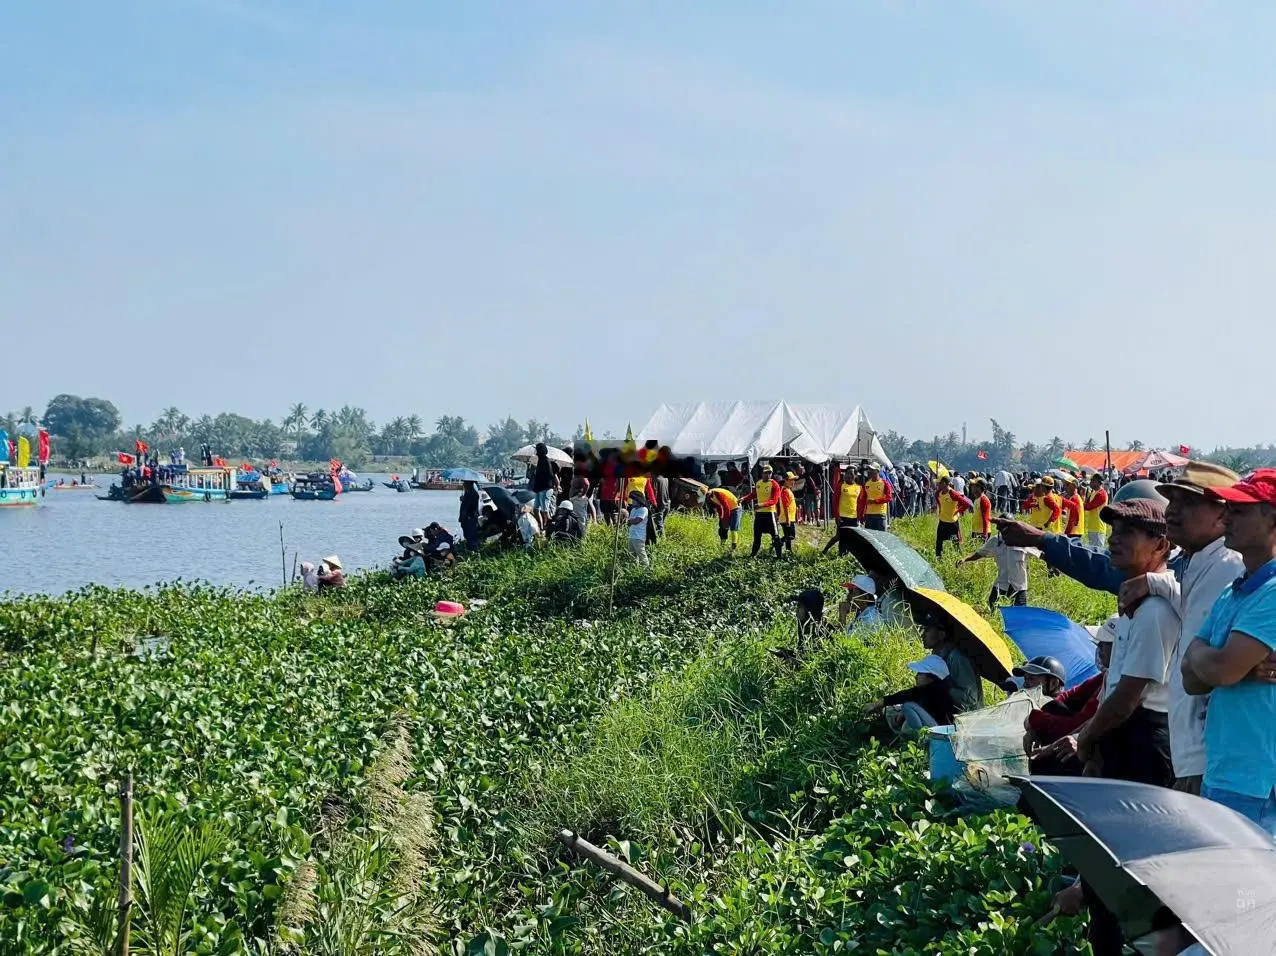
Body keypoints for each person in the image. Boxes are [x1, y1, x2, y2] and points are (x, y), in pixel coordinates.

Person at [1182, 469, 1276, 834]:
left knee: (1248, 891)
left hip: (1257, 781)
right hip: (1226, 772)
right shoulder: (1233, 591)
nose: (1226, 517)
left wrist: (1210, 660)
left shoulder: (1270, 593)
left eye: (1241, 509)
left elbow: (1217, 671)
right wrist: (1217, 662)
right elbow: (1190, 677)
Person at [1027, 620, 1115, 774]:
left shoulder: (1120, 683)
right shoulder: (1106, 675)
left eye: (1104, 644)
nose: (1098, 649)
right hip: (1082, 736)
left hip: (1105, 750)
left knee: (1047, 760)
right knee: (1053, 707)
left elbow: (1083, 721)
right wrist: (1036, 722)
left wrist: (1034, 719)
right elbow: (1070, 695)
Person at [863, 655, 957, 733]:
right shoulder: (934, 688)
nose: (916, 676)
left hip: (938, 731)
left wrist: (901, 715)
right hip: (935, 725)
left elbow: (908, 696)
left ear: (931, 677)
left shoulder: (935, 691)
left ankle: (917, 740)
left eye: (920, 673)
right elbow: (907, 695)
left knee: (907, 707)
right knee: (897, 709)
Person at [918, 610, 983, 713]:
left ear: (941, 635)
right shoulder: (937, 656)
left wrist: (937, 685)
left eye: (927, 630)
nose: (922, 635)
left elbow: (971, 701)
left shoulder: (957, 658)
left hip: (967, 719)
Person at [962, 527, 1032, 610]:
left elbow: (1040, 553)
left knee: (1021, 612)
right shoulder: (995, 541)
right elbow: (980, 553)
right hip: (1002, 582)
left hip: (1019, 584)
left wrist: (1050, 560)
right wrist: (965, 559)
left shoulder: (1022, 540)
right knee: (992, 604)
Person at [740, 464, 782, 558]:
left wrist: (761, 505)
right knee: (757, 535)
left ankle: (779, 556)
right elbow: (754, 494)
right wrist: (744, 498)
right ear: (762, 473)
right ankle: (753, 555)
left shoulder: (774, 484)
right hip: (759, 513)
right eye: (766, 473)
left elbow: (774, 500)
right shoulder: (758, 483)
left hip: (770, 513)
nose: (768, 475)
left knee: (775, 535)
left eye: (770, 473)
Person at [823, 466, 862, 557]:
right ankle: (831, 552)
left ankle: (847, 555)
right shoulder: (841, 485)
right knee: (840, 537)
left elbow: (860, 503)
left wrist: (860, 517)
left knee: (851, 538)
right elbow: (835, 502)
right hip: (843, 517)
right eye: (847, 473)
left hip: (853, 517)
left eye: (851, 474)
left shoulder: (859, 488)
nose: (848, 476)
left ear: (855, 476)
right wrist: (837, 516)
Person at [934, 476, 971, 558]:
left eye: (939, 483)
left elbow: (966, 503)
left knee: (955, 542)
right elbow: (936, 496)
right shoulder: (939, 492)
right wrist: (939, 507)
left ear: (944, 483)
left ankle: (959, 558)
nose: (937, 485)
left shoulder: (952, 493)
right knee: (939, 541)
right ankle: (938, 557)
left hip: (952, 523)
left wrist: (958, 511)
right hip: (942, 521)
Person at [705, 486, 742, 551]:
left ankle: (733, 547)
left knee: (733, 528)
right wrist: (721, 517)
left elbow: (726, 507)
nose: (706, 497)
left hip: (735, 508)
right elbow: (719, 506)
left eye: (706, 495)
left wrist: (725, 520)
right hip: (728, 509)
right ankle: (722, 546)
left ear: (708, 492)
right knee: (722, 528)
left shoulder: (718, 493)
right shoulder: (711, 496)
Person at [531, 443, 558, 528]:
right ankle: (541, 526)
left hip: (545, 488)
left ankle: (549, 527)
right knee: (535, 509)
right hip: (539, 489)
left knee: (545, 511)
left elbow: (550, 475)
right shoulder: (540, 460)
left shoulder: (546, 461)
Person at [860, 463, 892, 531]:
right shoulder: (866, 484)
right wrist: (861, 515)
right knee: (870, 538)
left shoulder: (885, 483)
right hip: (869, 514)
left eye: (872, 469)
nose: (870, 471)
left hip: (880, 514)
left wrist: (875, 501)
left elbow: (889, 498)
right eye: (869, 469)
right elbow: (863, 500)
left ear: (877, 471)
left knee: (882, 537)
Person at [1084, 472, 1109, 548]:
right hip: (1092, 525)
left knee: (1098, 552)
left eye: (1093, 481)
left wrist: (1084, 503)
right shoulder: (1093, 492)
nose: (1090, 483)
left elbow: (1088, 506)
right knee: (1092, 550)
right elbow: (1086, 505)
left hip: (1098, 527)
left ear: (1098, 482)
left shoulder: (1102, 494)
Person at [777, 472, 799, 557]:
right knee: (790, 536)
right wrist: (788, 519)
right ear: (785, 480)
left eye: (793, 480)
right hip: (786, 518)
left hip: (789, 518)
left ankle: (788, 551)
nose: (793, 482)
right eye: (791, 480)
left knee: (789, 537)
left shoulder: (788, 490)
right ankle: (778, 543)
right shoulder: (785, 491)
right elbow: (786, 507)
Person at [626, 490, 650, 566]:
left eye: (634, 500)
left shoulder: (643, 510)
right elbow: (629, 521)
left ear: (639, 501)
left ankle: (646, 569)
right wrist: (629, 521)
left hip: (639, 537)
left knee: (641, 554)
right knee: (632, 555)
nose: (632, 501)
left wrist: (629, 521)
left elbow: (637, 520)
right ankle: (634, 569)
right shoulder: (633, 510)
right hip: (631, 535)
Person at [1058, 475, 1085, 540]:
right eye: (1065, 485)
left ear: (1073, 486)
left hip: (1074, 532)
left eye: (1067, 484)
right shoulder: (1074, 497)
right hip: (1075, 531)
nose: (1065, 487)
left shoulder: (1074, 498)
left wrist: (1066, 533)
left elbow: (1073, 518)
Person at [967, 478, 992, 543]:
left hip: (982, 532)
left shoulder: (983, 500)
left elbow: (986, 518)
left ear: (979, 488)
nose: (972, 488)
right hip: (976, 530)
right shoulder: (977, 499)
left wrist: (985, 533)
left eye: (974, 486)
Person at [459, 480, 482, 552]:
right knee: (467, 535)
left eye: (464, 483)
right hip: (466, 518)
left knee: (470, 536)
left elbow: (469, 506)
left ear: (469, 484)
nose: (463, 484)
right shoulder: (468, 492)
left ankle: (472, 551)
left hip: (469, 518)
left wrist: (464, 499)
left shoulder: (473, 493)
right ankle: (469, 549)